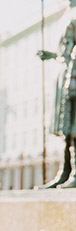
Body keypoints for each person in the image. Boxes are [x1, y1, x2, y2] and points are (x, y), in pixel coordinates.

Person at [38, 0, 76, 188]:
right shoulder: (66, 13)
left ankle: (74, 173)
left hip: (74, 74)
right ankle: (65, 172)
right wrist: (53, 55)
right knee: (65, 130)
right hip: (64, 73)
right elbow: (65, 49)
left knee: (74, 128)